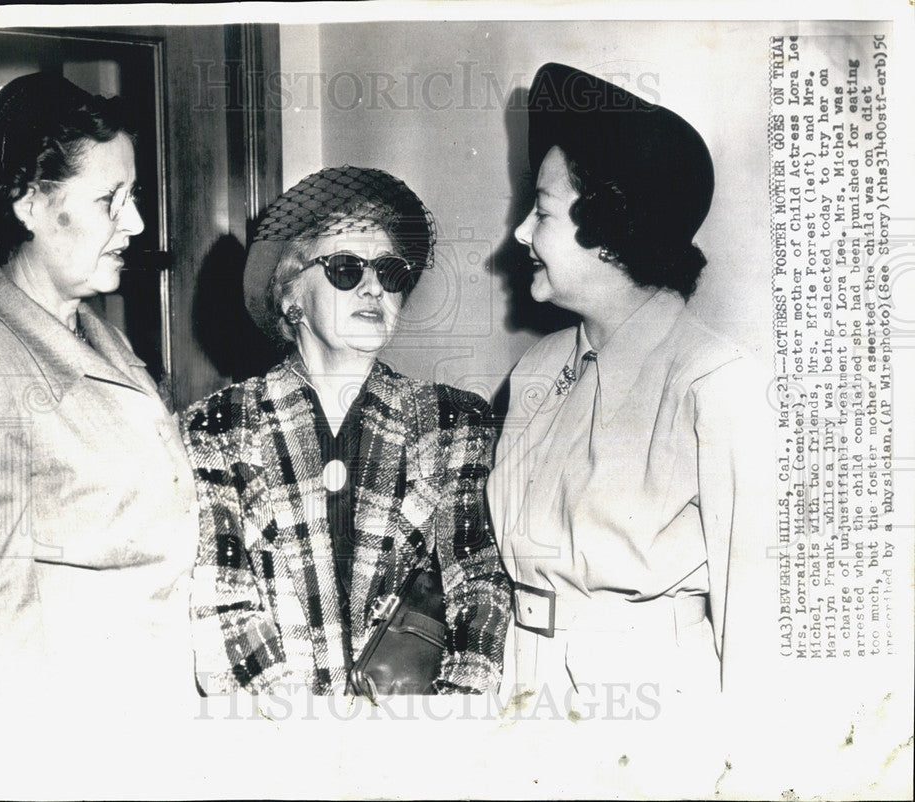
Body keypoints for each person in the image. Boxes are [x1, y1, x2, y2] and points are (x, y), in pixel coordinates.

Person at [487, 63, 770, 706]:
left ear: (610, 230)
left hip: (650, 717)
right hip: (520, 697)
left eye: (542, 212)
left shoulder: (718, 386)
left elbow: (756, 641)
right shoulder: (535, 371)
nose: (522, 233)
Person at [184, 166, 510, 696]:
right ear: (291, 296)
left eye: (390, 271)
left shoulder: (454, 421)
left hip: (416, 744)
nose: (373, 286)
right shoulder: (218, 426)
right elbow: (223, 598)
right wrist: (301, 737)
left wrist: (451, 728)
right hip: (276, 743)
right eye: (344, 268)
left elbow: (479, 588)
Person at [0, 72, 198, 697]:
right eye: (109, 199)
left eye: (132, 196)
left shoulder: (100, 334)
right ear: (28, 203)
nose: (134, 222)